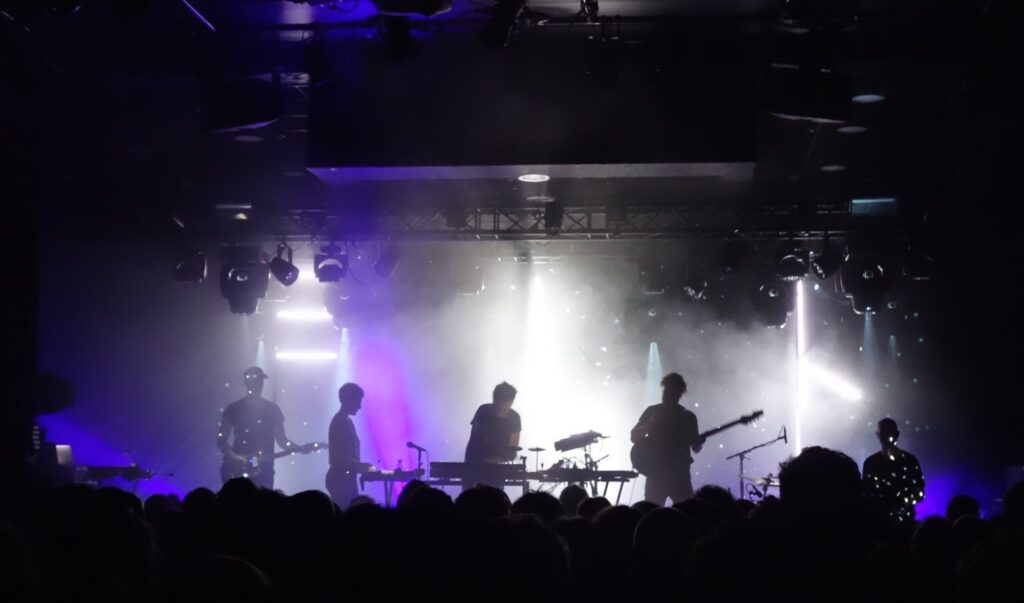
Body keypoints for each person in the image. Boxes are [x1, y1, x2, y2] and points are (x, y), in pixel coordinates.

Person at [630, 372, 703, 505]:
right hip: (656, 473)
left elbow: (696, 448)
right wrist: (650, 425)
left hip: (680, 475)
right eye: (666, 391)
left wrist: (699, 442)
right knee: (653, 512)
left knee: (686, 512)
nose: (667, 395)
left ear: (679, 394)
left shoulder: (688, 417)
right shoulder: (652, 411)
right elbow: (634, 437)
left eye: (671, 392)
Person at [217, 367, 295, 489]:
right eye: (256, 380)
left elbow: (282, 441)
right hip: (242, 470)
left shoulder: (272, 409)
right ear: (246, 382)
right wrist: (235, 457)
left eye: (260, 380)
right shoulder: (234, 408)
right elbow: (221, 440)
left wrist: (298, 448)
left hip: (264, 470)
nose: (259, 384)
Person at [862, 417, 925, 523]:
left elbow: (920, 492)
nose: (887, 438)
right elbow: (866, 492)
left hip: (901, 522)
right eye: (883, 434)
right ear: (878, 435)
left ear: (897, 434)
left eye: (889, 433)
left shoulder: (909, 461)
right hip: (880, 521)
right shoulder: (870, 463)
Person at [463, 381, 522, 489]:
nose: (501, 406)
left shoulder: (514, 418)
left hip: (497, 470)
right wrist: (485, 459)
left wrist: (499, 459)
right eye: (499, 402)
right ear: (494, 398)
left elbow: (513, 449)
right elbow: (475, 440)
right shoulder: (483, 411)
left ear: (511, 401)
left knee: (494, 501)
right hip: (474, 465)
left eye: (505, 403)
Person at [326, 382, 374, 508]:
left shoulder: (346, 421)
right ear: (348, 400)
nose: (360, 406)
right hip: (340, 479)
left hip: (344, 478)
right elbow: (338, 457)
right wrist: (359, 465)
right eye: (358, 401)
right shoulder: (339, 422)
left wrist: (358, 466)